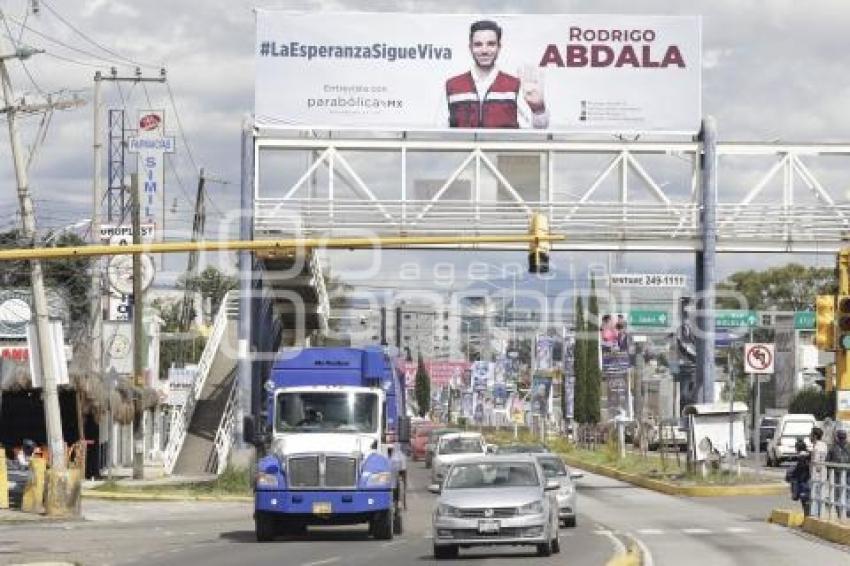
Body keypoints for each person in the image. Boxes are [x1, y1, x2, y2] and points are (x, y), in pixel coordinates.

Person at [442, 20, 549, 129]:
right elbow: (438, 132)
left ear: (499, 47)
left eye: (491, 44)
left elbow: (538, 130)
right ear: (470, 48)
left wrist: (538, 109)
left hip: (503, 146)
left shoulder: (515, 85)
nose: (484, 50)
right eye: (478, 45)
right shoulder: (452, 86)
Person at [786, 438, 812, 516]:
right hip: (807, 480)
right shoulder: (807, 455)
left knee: (805, 502)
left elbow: (799, 470)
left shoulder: (802, 457)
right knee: (807, 501)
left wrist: (791, 476)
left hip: (803, 482)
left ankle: (806, 518)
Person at [810, 427, 828, 516]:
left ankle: (815, 514)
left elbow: (816, 463)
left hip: (817, 474)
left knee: (815, 495)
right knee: (821, 494)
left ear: (815, 436)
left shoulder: (817, 447)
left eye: (811, 434)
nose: (810, 436)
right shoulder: (824, 445)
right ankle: (819, 513)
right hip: (823, 473)